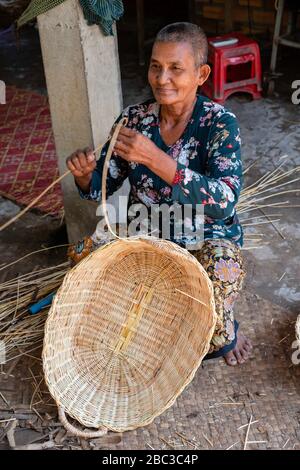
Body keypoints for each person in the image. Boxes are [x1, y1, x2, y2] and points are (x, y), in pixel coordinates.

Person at [66, 22, 252, 366]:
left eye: (176, 68)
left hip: (203, 237)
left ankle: (222, 328)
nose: (162, 78)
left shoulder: (219, 123)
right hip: (148, 232)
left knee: (221, 277)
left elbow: (224, 203)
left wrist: (156, 159)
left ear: (201, 74)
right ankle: (165, 315)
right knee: (83, 258)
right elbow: (99, 189)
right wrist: (85, 175)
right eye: (156, 66)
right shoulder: (134, 119)